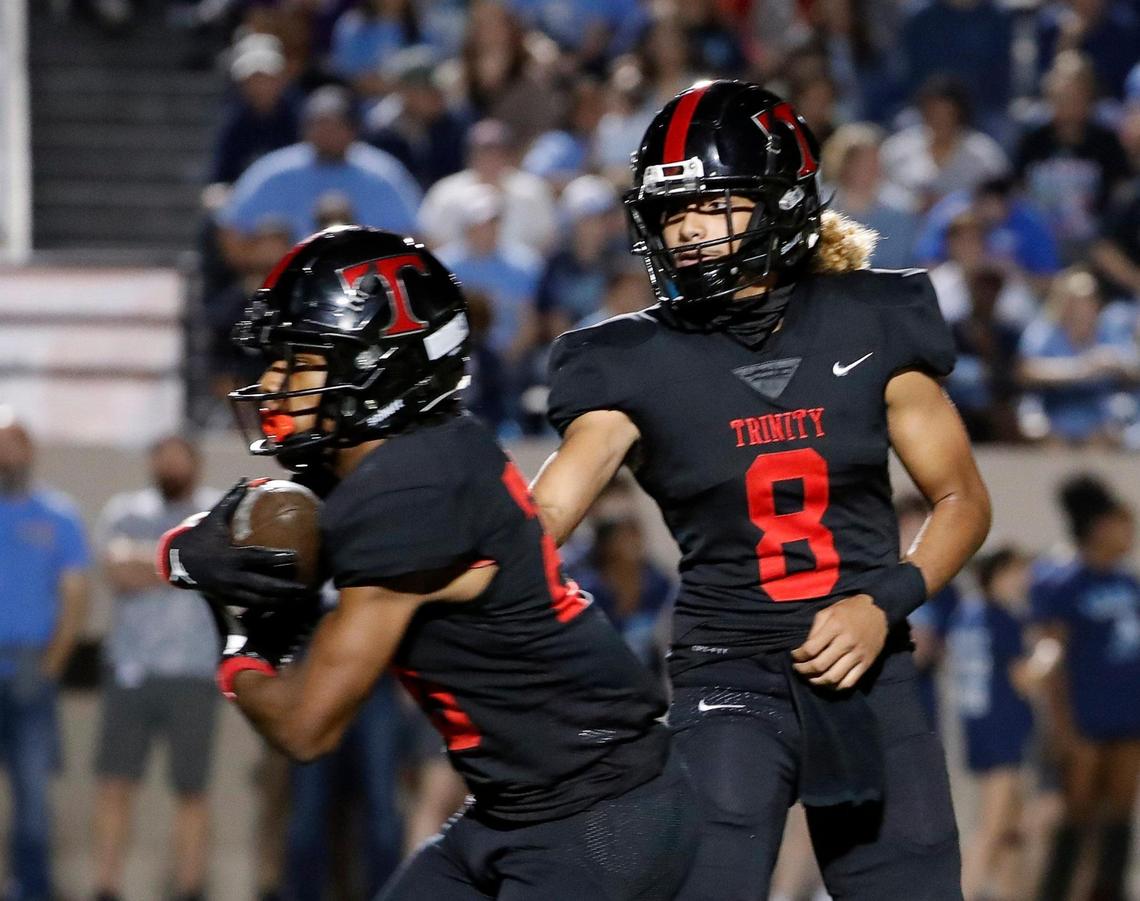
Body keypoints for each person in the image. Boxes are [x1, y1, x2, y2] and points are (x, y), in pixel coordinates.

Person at [534, 81, 992, 900]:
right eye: (672, 212)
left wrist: (882, 600)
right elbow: (540, 519)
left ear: (780, 200)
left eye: (711, 205)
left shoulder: (872, 319)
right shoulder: (629, 362)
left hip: (868, 665)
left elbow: (962, 499)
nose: (687, 230)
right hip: (728, 675)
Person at [158, 226, 698, 900]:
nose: (271, 384)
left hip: (598, 813)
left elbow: (305, 727)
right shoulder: (411, 455)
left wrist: (240, 647)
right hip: (522, 805)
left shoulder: (405, 492)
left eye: (300, 361)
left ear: (379, 365)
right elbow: (256, 532)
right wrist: (182, 550)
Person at [91, 436, 221, 901]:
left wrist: (147, 562)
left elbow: (215, 568)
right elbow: (117, 571)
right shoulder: (125, 511)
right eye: (161, 457)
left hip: (193, 671)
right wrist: (182, 564)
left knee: (192, 788)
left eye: (178, 457)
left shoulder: (215, 513)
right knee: (114, 782)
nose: (169, 465)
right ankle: (106, 886)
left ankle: (188, 887)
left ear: (196, 463)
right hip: (132, 669)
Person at [1028, 475, 1140, 901]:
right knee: (1076, 816)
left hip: (1127, 718)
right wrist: (1062, 729)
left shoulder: (1128, 583)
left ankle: (1110, 892)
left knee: (1120, 815)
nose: (1131, 532)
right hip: (1084, 721)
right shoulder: (1062, 583)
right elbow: (1051, 659)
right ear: (1098, 527)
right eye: (1123, 523)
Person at [0, 412, 90, 901]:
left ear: (31, 451)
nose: (7, 453)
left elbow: (75, 592)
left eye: (15, 443)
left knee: (33, 792)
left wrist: (53, 662)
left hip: (31, 667)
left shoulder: (58, 515)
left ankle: (31, 888)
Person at [216, 86, 421, 272]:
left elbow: (414, 236)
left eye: (335, 126)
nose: (326, 133)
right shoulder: (274, 171)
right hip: (288, 280)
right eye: (318, 125)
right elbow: (231, 233)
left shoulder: (382, 174)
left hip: (365, 280)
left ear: (353, 129)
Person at [947, 547, 1036, 901]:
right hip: (1002, 728)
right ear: (997, 575)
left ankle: (1011, 892)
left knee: (1012, 825)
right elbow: (1024, 679)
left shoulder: (966, 613)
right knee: (994, 825)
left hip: (978, 726)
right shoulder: (1003, 618)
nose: (1024, 579)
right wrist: (1049, 656)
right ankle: (965, 893)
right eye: (1017, 571)